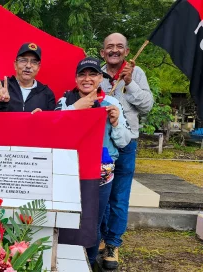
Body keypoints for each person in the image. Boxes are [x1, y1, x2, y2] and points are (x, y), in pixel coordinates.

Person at [55, 57, 131, 268]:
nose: (87, 79)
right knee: (67, 219)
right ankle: (63, 260)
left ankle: (87, 262)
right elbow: (53, 131)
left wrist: (116, 123)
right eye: (82, 74)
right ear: (76, 78)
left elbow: (124, 141)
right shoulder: (65, 101)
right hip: (70, 170)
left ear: (100, 78)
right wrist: (74, 109)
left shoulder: (112, 103)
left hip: (100, 172)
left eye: (92, 74)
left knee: (92, 220)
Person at [99, 33, 153, 269]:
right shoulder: (95, 74)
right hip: (102, 145)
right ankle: (101, 235)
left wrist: (129, 83)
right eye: (109, 46)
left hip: (126, 142)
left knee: (119, 196)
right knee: (101, 194)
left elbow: (147, 106)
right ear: (103, 52)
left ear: (127, 51)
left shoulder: (136, 73)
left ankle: (113, 243)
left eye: (119, 47)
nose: (114, 50)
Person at [0, 42, 55, 112]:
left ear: (38, 68)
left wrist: (43, 118)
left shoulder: (47, 94)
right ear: (15, 65)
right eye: (23, 60)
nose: (28, 66)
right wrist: (0, 103)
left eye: (34, 62)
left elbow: (53, 121)